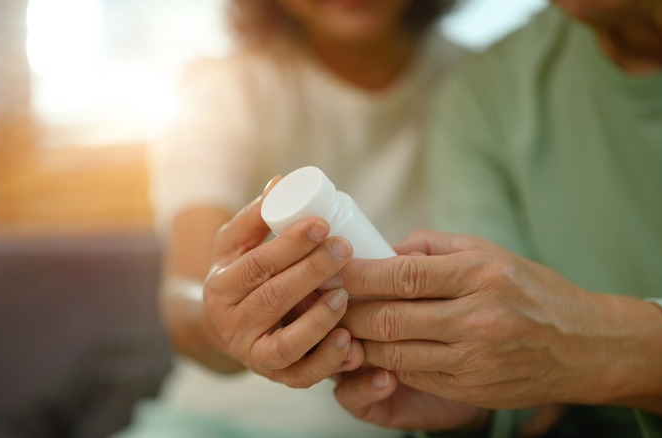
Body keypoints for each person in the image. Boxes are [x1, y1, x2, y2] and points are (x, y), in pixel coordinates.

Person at [199, 0, 662, 437]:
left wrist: (601, 349)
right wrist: (477, 403)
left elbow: (560, 353)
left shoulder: (458, 74)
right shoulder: (488, 88)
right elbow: (530, 372)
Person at [119, 0, 462, 437]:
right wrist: (226, 319)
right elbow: (183, 294)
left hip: (404, 416)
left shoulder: (476, 82)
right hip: (216, 419)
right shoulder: (225, 87)